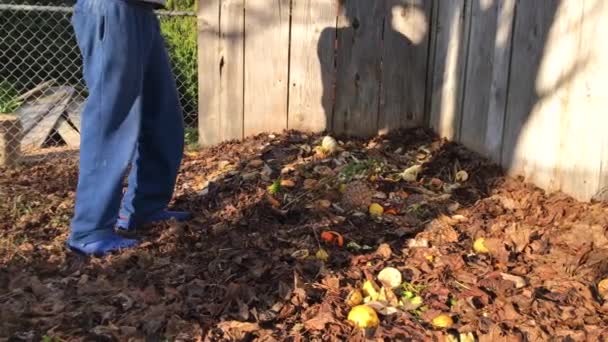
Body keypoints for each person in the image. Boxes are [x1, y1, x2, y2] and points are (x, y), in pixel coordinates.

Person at [66, 0, 191, 256]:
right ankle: (90, 230)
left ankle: (145, 207)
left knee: (162, 118)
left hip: (143, 11)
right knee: (111, 120)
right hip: (112, 7)